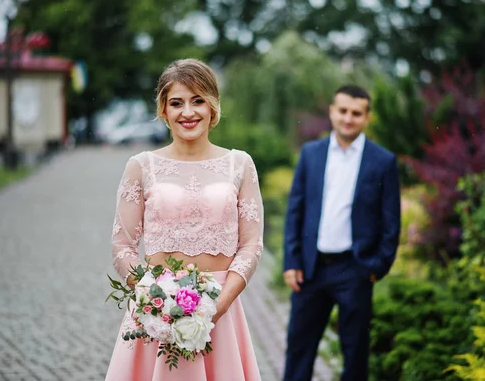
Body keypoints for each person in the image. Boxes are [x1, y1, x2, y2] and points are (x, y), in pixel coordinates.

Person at [105, 58, 263, 381]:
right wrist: (152, 299)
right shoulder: (141, 166)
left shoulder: (240, 165)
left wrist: (217, 306)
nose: (187, 112)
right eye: (176, 103)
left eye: (198, 101)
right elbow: (122, 244)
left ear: (213, 107)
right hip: (155, 313)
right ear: (163, 110)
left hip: (220, 313)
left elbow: (250, 245)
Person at [282, 85, 401, 381]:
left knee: (355, 352)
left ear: (366, 118)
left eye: (356, 113)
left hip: (355, 270)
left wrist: (377, 267)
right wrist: (291, 261)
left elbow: (391, 223)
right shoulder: (311, 154)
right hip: (310, 269)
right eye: (343, 111)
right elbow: (295, 211)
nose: (349, 118)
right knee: (299, 349)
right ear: (333, 112)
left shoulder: (383, 161)